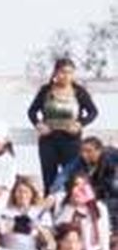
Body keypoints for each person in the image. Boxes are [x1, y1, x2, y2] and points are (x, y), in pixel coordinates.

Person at [28, 58, 101, 193]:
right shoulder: (46, 90)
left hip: (71, 141)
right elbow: (32, 111)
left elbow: (93, 112)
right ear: (55, 73)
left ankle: (72, 211)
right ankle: (50, 212)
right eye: (62, 72)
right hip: (48, 141)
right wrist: (38, 124)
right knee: (49, 180)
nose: (66, 76)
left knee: (72, 179)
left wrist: (80, 124)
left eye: (69, 73)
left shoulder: (79, 91)